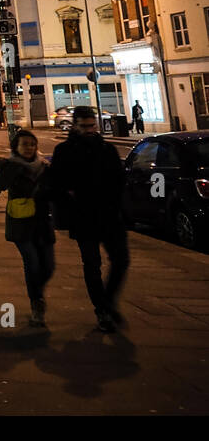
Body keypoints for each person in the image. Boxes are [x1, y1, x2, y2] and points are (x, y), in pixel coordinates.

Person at [50, 105, 129, 333]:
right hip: (83, 217)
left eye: (92, 125)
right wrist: (70, 197)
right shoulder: (64, 151)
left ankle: (108, 300)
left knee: (121, 261)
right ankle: (102, 310)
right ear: (75, 126)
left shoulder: (107, 149)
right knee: (92, 265)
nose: (89, 130)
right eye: (84, 126)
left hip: (110, 216)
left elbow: (119, 179)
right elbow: (57, 184)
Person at [0, 130, 55, 327]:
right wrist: (11, 166)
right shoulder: (11, 166)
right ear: (16, 148)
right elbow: (0, 184)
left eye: (32, 144)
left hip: (43, 223)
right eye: (24, 144)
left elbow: (55, 189)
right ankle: (37, 303)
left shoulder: (44, 166)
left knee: (49, 266)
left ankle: (37, 293)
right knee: (32, 262)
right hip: (21, 223)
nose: (29, 148)